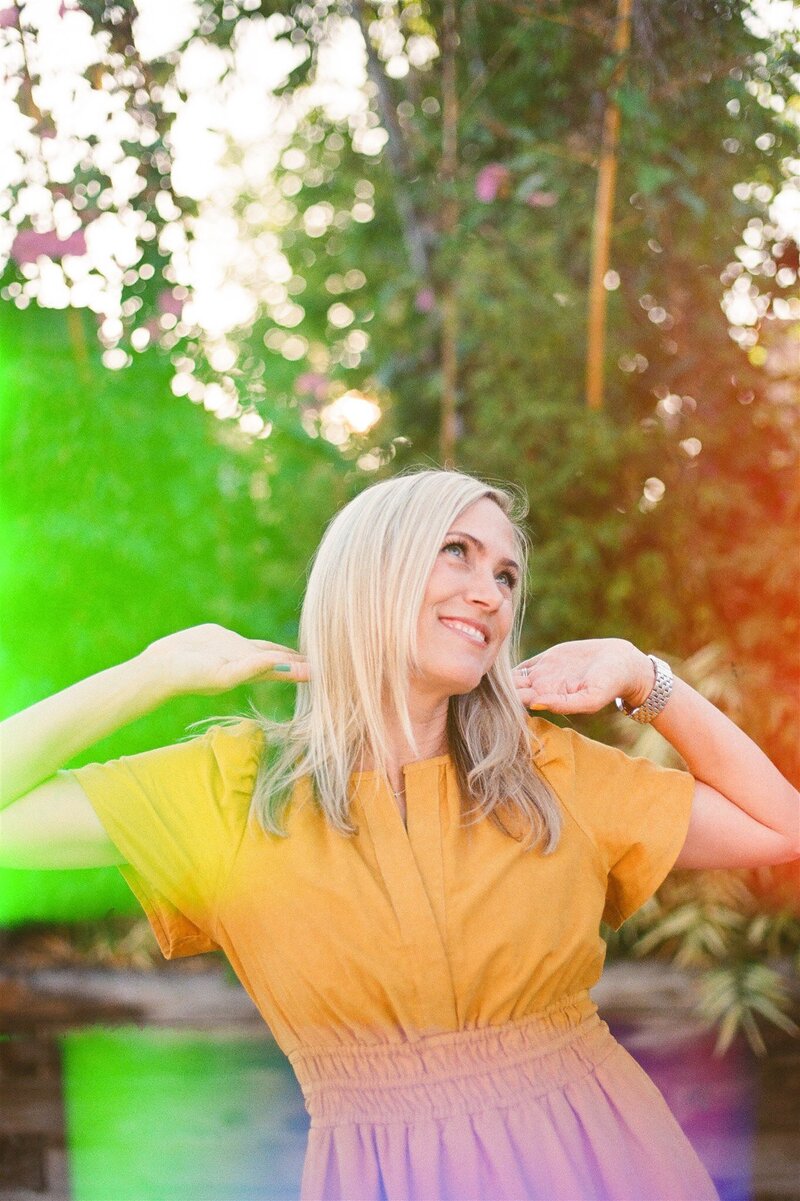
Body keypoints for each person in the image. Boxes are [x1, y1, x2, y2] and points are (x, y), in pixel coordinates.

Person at [1, 468, 798, 1201]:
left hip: (601, 1159)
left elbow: (781, 826)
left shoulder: (550, 773)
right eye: (457, 551)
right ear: (372, 569)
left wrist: (646, 678)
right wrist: (152, 672)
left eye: (506, 575)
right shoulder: (233, 791)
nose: (489, 593)